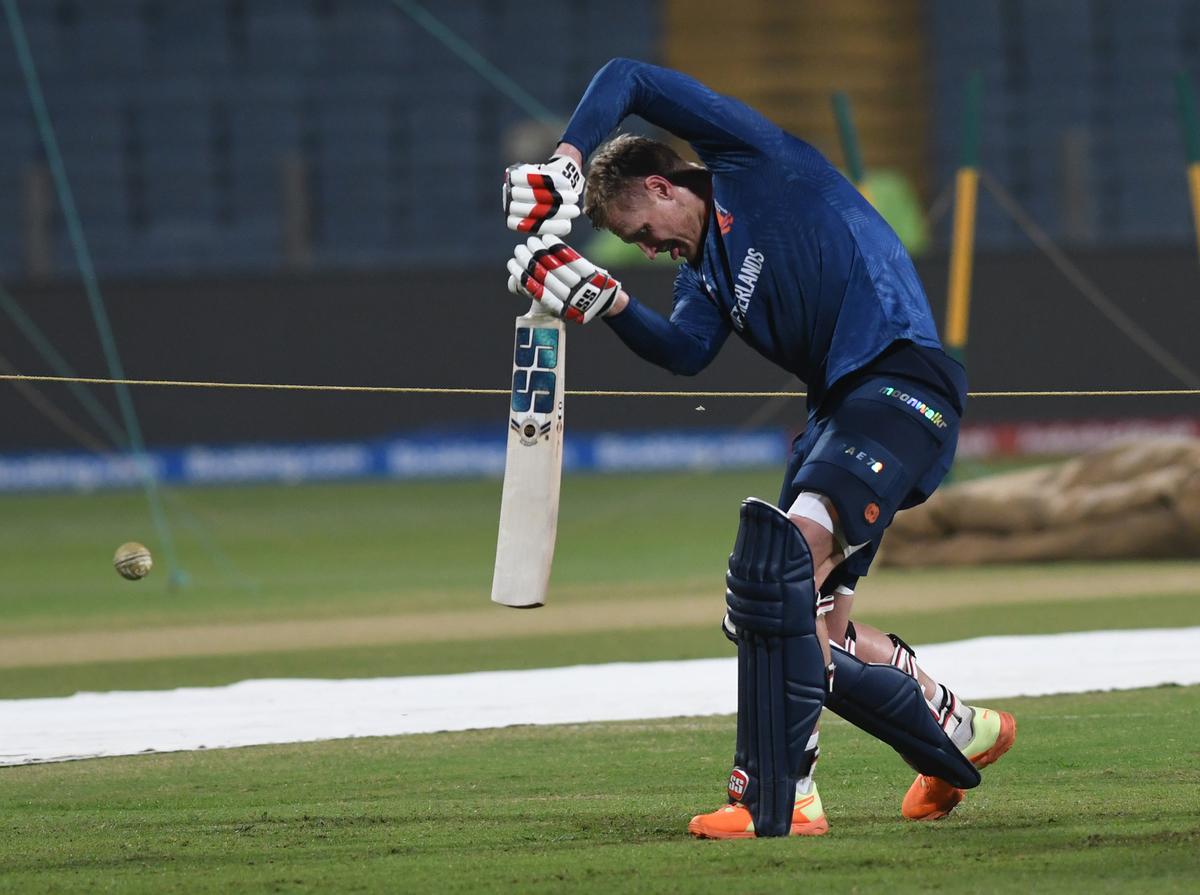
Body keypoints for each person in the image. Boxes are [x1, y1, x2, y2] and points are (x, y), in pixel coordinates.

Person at [501, 59, 1015, 839]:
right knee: (808, 629)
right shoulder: (700, 273)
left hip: (900, 380)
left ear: (663, 184)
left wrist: (564, 165)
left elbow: (629, 78)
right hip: (841, 413)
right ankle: (962, 728)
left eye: (642, 231)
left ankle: (782, 795)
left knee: (780, 576)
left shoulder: (754, 162)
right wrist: (604, 300)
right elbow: (684, 353)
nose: (649, 248)